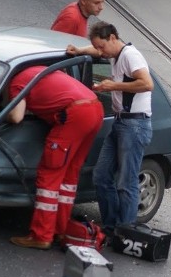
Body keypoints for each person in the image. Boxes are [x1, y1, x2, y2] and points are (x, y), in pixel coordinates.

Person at [67, 21, 153, 235]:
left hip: (135, 124)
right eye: (98, 48)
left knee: (126, 181)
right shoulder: (114, 53)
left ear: (113, 38)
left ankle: (126, 232)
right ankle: (111, 226)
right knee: (101, 175)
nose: (100, 52)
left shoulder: (130, 55)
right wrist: (79, 50)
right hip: (121, 123)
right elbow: (95, 49)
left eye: (102, 47)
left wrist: (113, 85)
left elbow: (147, 83)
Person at [6, 66, 104, 250]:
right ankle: (61, 230)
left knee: (50, 175)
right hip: (95, 109)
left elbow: (17, 116)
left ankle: (41, 235)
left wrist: (6, 111)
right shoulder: (41, 69)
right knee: (69, 177)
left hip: (75, 115)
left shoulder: (17, 83)